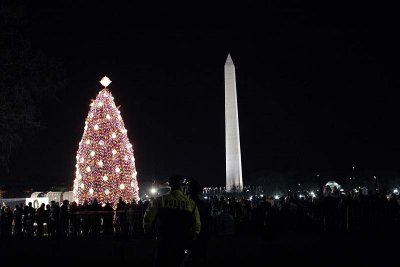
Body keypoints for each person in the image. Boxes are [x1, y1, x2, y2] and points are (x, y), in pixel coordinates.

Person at [143, 176, 201, 267]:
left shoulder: (160, 200)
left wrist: (148, 231)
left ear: (170, 186)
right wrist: (193, 237)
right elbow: (197, 224)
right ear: (182, 187)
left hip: (164, 240)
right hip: (182, 241)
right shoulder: (190, 203)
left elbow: (148, 218)